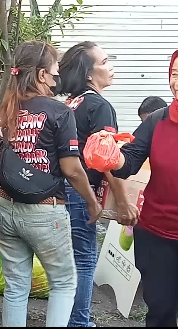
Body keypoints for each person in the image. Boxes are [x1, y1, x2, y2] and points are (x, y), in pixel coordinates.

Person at [0, 41, 102, 327]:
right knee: (63, 283)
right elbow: (72, 170)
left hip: (3, 205)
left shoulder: (5, 109)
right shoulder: (59, 112)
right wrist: (91, 201)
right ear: (41, 75)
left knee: (16, 285)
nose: (56, 79)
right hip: (44, 211)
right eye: (54, 73)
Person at [106, 47, 178, 327]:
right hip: (157, 235)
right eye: (174, 74)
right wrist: (110, 155)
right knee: (159, 313)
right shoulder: (159, 120)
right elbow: (129, 162)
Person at [57, 41, 139, 327]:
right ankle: (78, 322)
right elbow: (107, 160)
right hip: (80, 192)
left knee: (68, 262)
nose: (111, 66)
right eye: (104, 62)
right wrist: (124, 203)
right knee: (83, 259)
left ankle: (68, 319)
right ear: (89, 74)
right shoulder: (99, 106)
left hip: (60, 191)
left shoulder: (72, 103)